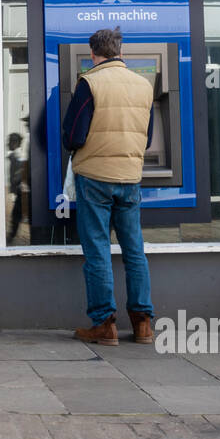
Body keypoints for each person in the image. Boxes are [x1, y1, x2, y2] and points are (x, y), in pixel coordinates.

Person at [61, 28, 155, 346]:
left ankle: (104, 325)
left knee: (97, 250)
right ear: (120, 51)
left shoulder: (90, 83)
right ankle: (143, 324)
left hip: (95, 177)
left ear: (93, 53)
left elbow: (74, 134)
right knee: (134, 251)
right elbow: (148, 138)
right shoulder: (143, 85)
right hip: (130, 177)